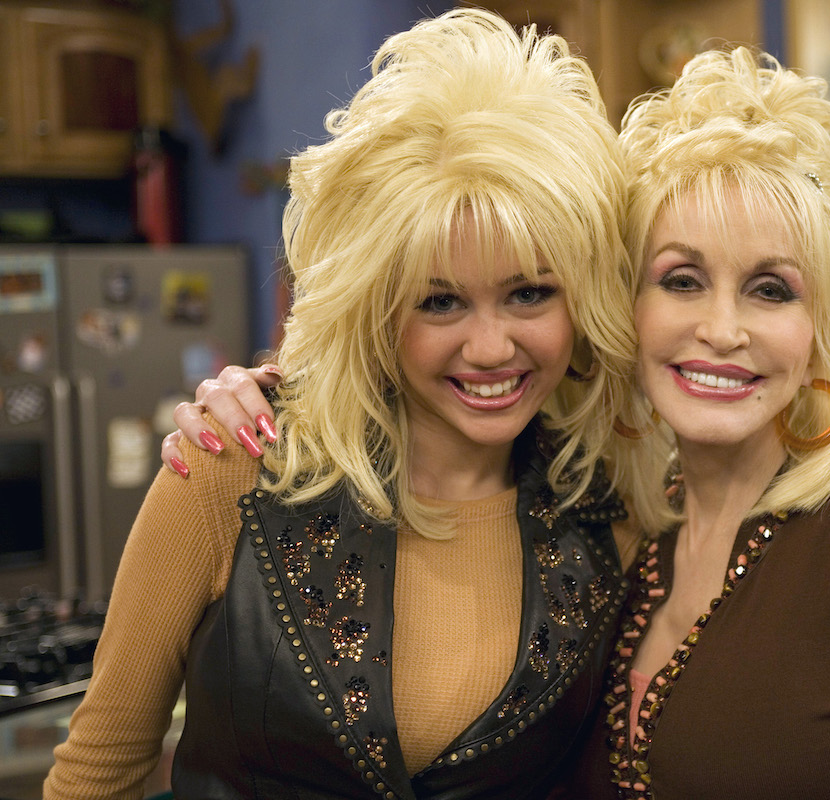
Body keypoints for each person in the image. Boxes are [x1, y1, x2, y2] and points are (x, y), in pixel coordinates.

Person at [163, 47, 830, 800]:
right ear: (625, 307)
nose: (723, 329)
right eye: (682, 278)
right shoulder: (620, 526)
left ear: (818, 331)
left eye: (771, 289)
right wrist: (289, 388)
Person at [46, 9, 646, 799]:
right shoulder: (234, 468)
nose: (491, 346)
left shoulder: (609, 514)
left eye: (529, 293)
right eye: (440, 302)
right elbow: (97, 772)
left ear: (583, 301)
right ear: (377, 310)